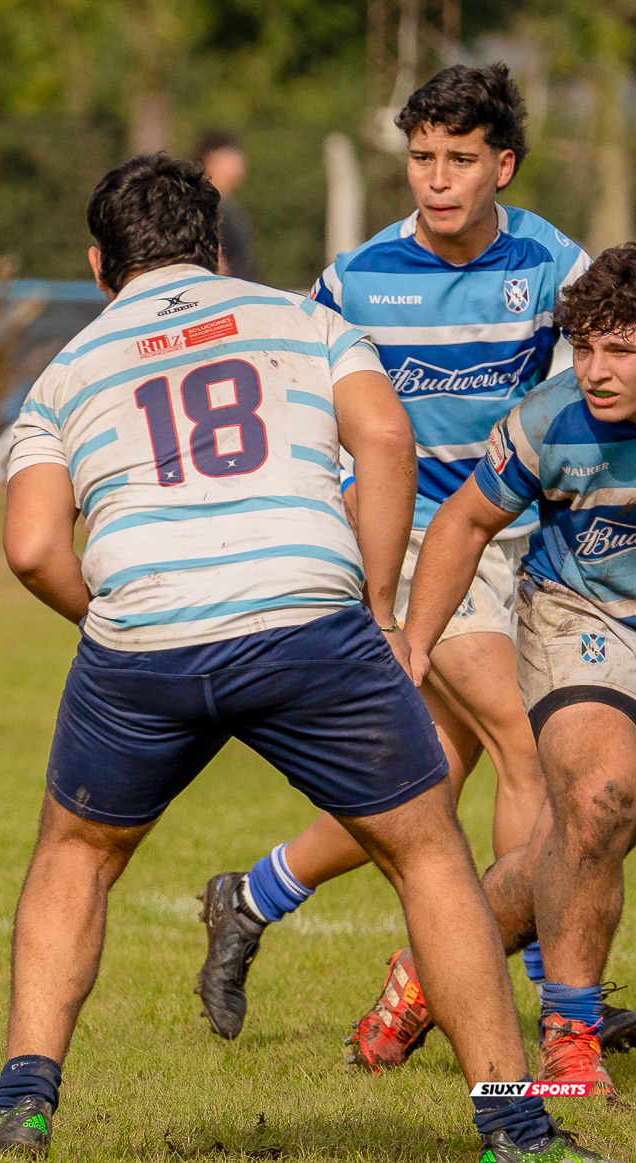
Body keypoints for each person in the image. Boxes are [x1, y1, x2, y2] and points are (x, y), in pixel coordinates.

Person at [0, 153, 610, 1163]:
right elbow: (386, 438)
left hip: (145, 638)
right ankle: (513, 1123)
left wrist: (112, 614)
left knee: (76, 854)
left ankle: (19, 1108)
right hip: (307, 615)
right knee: (426, 850)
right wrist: (375, 601)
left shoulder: (68, 368)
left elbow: (31, 546)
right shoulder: (304, 318)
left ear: (96, 263)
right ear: (214, 246)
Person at [192, 63, 609, 1067]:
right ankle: (553, 1002)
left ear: (501, 164)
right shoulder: (356, 278)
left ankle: (250, 894)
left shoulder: (555, 266)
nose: (437, 177)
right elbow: (300, 400)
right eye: (423, 156)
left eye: (460, 158)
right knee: (528, 746)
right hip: (424, 546)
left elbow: (584, 408)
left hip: (531, 545)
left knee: (426, 776)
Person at [405, 243, 636, 1098]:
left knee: (559, 847)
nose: (598, 370)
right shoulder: (548, 419)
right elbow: (463, 523)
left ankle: (423, 974)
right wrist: (414, 642)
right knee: (598, 798)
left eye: (622, 350)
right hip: (581, 614)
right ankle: (571, 1041)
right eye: (586, 347)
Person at [195, 132, 259, 282]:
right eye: (232, 155)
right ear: (211, 158)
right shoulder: (207, 208)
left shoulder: (227, 206)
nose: (241, 161)